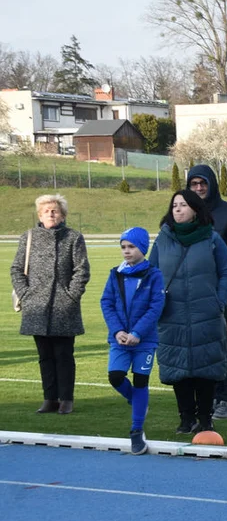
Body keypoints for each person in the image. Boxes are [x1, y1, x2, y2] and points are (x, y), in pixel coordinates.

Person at [149, 190, 227, 435]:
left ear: (196, 209)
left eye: (183, 205)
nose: (177, 209)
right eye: (174, 205)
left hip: (205, 312)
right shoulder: (163, 240)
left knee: (205, 368)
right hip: (171, 314)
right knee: (178, 368)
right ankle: (186, 418)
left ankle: (205, 418)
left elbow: (226, 271)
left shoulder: (212, 239)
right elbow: (152, 273)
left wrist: (219, 301)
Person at [9, 194, 90, 414]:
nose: (51, 213)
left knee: (64, 355)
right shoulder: (29, 237)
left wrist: (71, 296)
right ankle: (49, 398)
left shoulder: (73, 237)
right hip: (37, 306)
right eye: (46, 210)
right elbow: (16, 269)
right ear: (39, 215)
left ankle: (66, 399)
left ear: (63, 215)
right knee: (44, 356)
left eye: (55, 210)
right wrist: (26, 294)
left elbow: (81, 270)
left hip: (64, 307)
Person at [186, 165, 227, 421]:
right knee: (201, 350)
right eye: (194, 184)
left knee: (225, 348)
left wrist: (225, 292)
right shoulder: (186, 214)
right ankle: (209, 397)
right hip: (192, 298)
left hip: (221, 297)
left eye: (203, 183)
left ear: (212, 184)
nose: (199, 188)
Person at [100, 227, 165, 455]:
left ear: (143, 249)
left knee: (140, 381)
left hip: (144, 342)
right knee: (115, 377)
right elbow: (106, 303)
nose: (126, 251)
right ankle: (137, 402)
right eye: (123, 247)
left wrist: (137, 333)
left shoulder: (154, 275)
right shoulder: (114, 274)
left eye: (131, 247)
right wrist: (118, 331)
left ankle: (136, 431)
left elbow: (156, 307)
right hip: (119, 340)